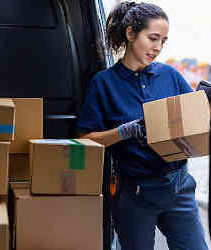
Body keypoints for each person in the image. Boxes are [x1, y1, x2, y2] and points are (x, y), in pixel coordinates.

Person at [76, 1, 208, 250]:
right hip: (136, 193)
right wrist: (124, 131)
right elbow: (85, 138)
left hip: (179, 186)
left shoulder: (170, 76)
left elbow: (193, 122)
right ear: (130, 33)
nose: (158, 48)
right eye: (153, 38)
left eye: (163, 41)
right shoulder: (104, 84)